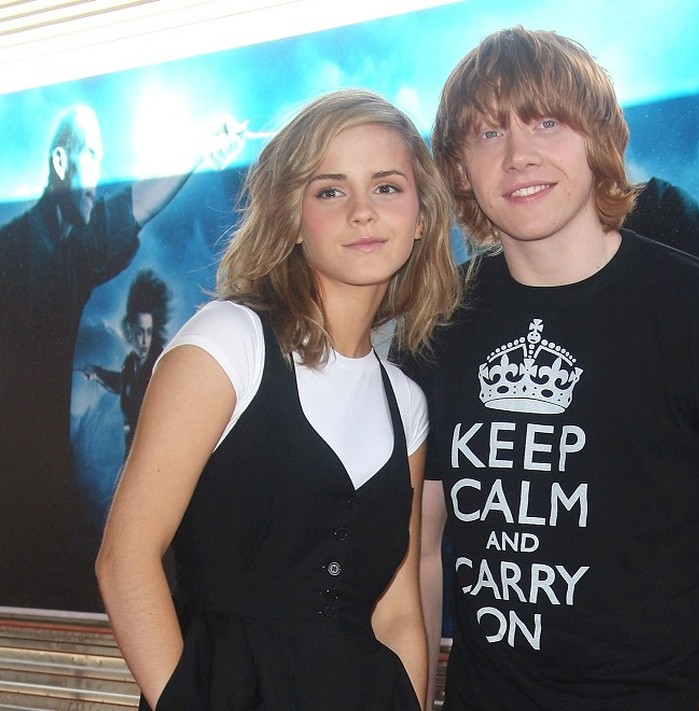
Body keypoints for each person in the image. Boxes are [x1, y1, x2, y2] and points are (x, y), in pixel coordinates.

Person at [394, 27, 699, 710]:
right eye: (487, 133)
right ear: (458, 168)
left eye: (545, 121)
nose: (519, 155)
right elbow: (419, 552)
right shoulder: (433, 328)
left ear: (600, 139)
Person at [96, 88, 462, 710]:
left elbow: (400, 611)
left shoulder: (407, 404)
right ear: (292, 217)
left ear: (423, 216)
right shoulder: (228, 342)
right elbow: (124, 560)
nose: (362, 212)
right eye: (329, 190)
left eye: (387, 186)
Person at [0, 104, 245, 610]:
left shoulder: (69, 249)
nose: (100, 169)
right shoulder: (15, 249)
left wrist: (199, 149)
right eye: (93, 152)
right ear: (62, 161)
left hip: (43, 487)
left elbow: (132, 207)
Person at [81, 269, 173, 458]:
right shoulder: (130, 363)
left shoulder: (160, 365)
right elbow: (122, 383)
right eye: (140, 332)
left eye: (148, 332)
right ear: (130, 329)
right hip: (131, 454)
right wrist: (96, 373)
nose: (145, 340)